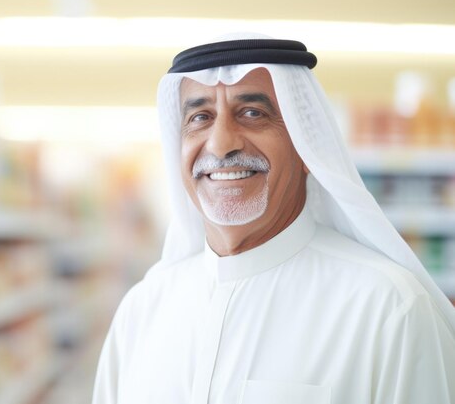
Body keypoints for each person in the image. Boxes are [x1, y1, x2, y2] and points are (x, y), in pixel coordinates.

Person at [92, 32, 455, 404]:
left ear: (304, 147)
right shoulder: (143, 309)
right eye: (200, 117)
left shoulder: (388, 308)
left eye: (253, 113)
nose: (221, 144)